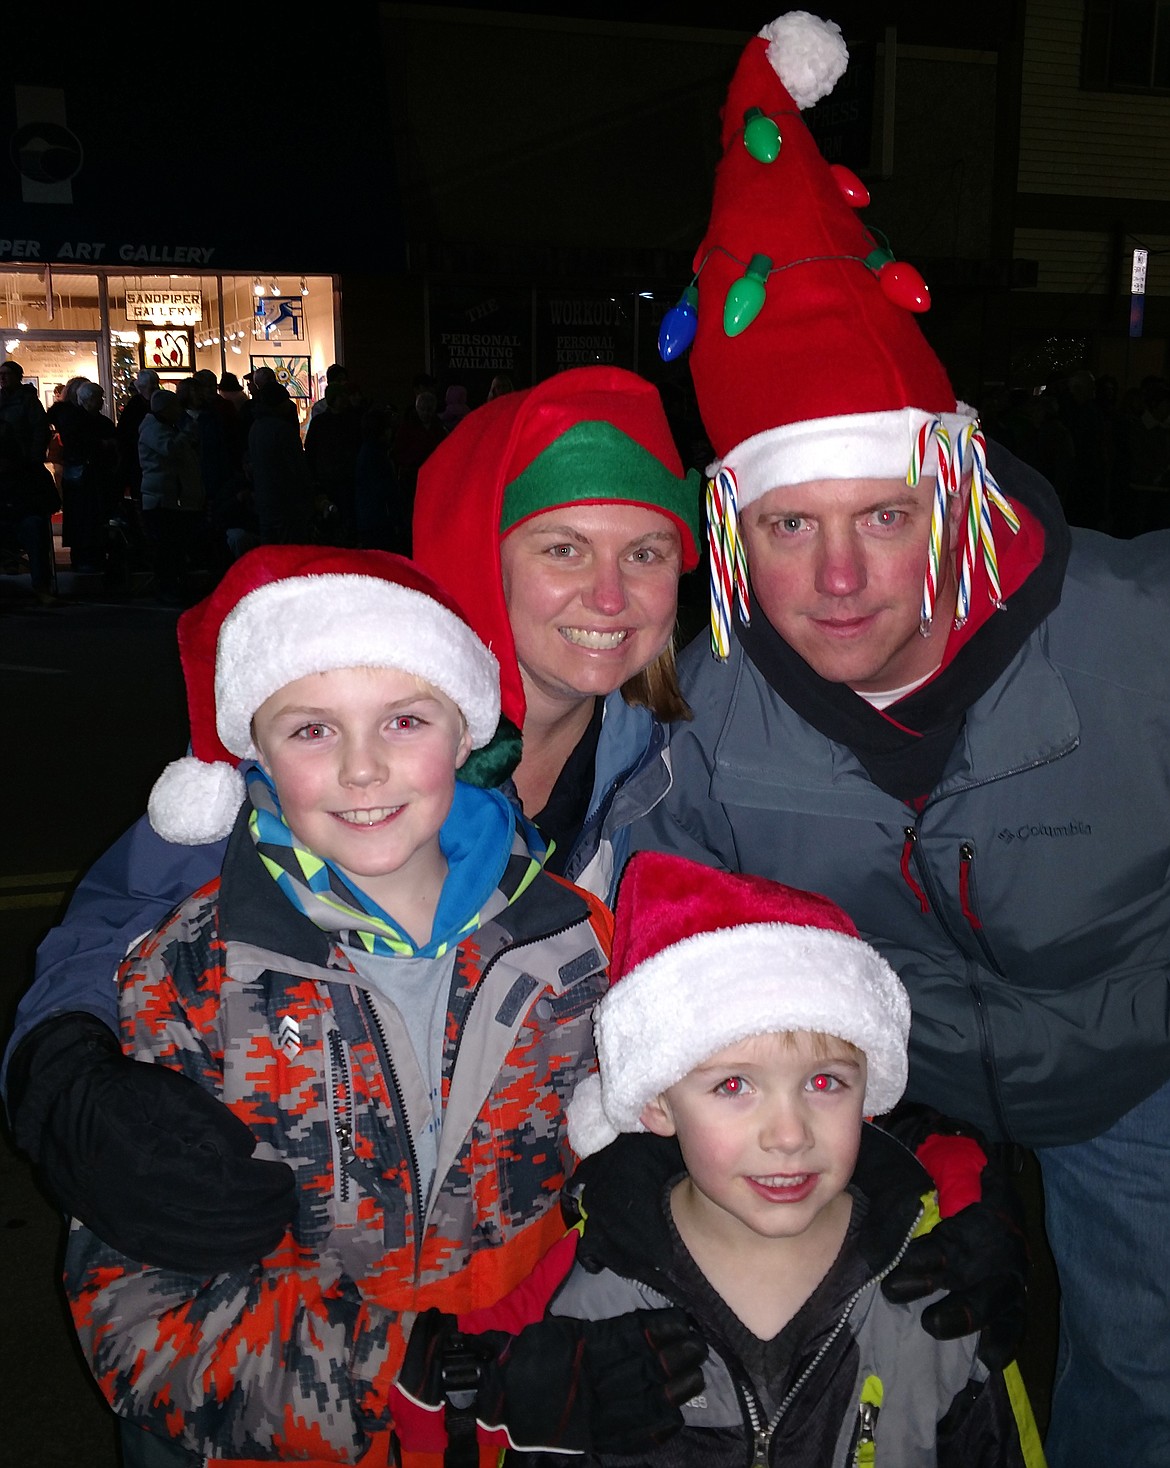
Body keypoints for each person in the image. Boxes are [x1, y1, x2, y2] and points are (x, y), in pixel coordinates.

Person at [4, 364, 1019, 1367]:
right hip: (251, 1315)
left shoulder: (689, 759)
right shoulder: (327, 741)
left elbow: (778, 983)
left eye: (649, 551)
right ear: (479, 552)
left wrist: (910, 1166)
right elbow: (117, 924)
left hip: (517, 1315)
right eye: (564, 547)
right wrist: (66, 1080)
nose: (612, 595)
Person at [631, 13, 1170, 1466]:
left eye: (882, 516)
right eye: (787, 528)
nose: (842, 581)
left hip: (1140, 1053)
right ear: (730, 537)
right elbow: (645, 940)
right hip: (889, 1087)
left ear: (959, 496)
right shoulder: (710, 710)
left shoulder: (1137, 634)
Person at [60, 544, 702, 1467]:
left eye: (404, 720)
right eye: (312, 730)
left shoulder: (575, 948)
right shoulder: (189, 978)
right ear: (256, 754)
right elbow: (133, 1310)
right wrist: (408, 1377)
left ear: (467, 730)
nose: (363, 771)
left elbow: (659, 1177)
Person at [412, 850, 1040, 1466]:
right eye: (733, 1086)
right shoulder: (593, 1288)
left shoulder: (940, 1289)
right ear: (655, 1103)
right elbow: (421, 1402)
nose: (789, 1135)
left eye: (825, 1083)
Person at [138, 388, 205, 604]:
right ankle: (167, 587)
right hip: (161, 498)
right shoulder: (153, 429)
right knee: (166, 547)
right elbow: (169, 449)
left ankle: (174, 584)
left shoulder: (164, 426)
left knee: (173, 545)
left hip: (171, 496)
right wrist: (186, 434)